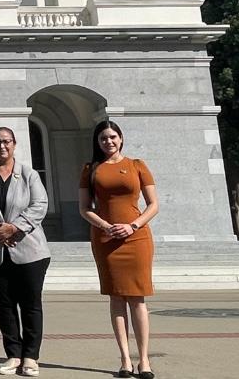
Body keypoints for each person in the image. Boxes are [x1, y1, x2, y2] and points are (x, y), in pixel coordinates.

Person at [0, 127, 51, 378]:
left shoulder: (29, 175)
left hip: (29, 251)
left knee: (30, 304)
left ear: (14, 144)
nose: (1, 146)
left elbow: (40, 205)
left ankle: (31, 356)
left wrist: (14, 227)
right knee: (4, 305)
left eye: (6, 141)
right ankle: (13, 354)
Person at [79, 120, 158, 379]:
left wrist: (132, 225)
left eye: (113, 137)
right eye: (103, 138)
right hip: (106, 239)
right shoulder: (90, 169)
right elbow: (84, 208)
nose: (108, 142)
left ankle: (144, 360)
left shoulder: (137, 165)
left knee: (137, 298)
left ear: (121, 138)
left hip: (137, 239)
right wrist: (106, 226)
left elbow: (153, 205)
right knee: (116, 298)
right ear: (97, 142)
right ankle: (125, 359)